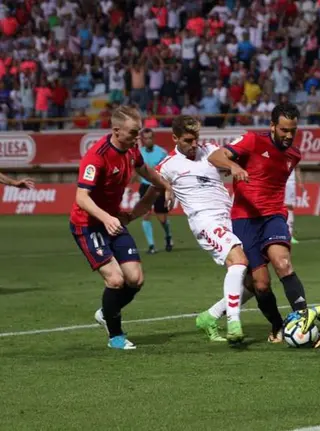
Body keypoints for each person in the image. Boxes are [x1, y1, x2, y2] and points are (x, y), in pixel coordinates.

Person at [208, 103, 318, 344]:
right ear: (272, 126)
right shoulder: (252, 141)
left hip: (273, 216)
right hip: (244, 220)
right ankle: (277, 325)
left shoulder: (294, 155)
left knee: (283, 263)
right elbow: (215, 156)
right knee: (260, 284)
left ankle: (303, 320)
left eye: (293, 131)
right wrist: (234, 165)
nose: (289, 136)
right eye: (284, 130)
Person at [69, 105, 173, 350]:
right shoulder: (97, 156)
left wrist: (166, 186)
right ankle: (115, 336)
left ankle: (106, 312)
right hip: (88, 224)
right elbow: (81, 198)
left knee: (135, 279)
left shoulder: (131, 150)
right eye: (133, 133)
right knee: (116, 280)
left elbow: (146, 172)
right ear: (116, 130)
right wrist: (106, 218)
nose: (137, 138)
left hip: (111, 220)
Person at [155, 115, 251, 344]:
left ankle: (210, 316)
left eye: (196, 138)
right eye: (188, 140)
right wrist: (166, 187)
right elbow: (150, 177)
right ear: (175, 138)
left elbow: (234, 152)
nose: (194, 144)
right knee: (237, 261)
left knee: (254, 281)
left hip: (229, 217)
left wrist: (233, 163)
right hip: (205, 221)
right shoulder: (169, 165)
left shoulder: (210, 150)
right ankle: (234, 323)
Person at [137, 128, 173, 254]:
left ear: (154, 138)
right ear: (142, 140)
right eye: (145, 138)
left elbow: (168, 170)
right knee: (146, 215)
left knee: (162, 218)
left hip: (159, 187)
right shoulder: (139, 153)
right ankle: (151, 245)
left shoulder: (162, 153)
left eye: (150, 138)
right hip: (145, 186)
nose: (148, 140)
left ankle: (168, 237)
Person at [284, 166, 304, 244]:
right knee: (285, 206)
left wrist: (300, 182)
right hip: (282, 181)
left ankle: (289, 234)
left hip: (289, 182)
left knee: (289, 207)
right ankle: (287, 234)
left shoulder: (293, 154)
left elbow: (297, 167)